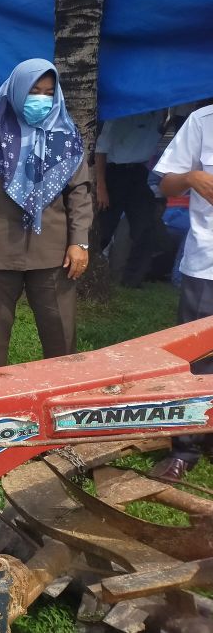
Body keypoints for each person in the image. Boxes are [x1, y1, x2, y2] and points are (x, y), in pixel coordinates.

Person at [0, 59, 91, 370]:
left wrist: (80, 241)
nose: (41, 99)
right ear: (15, 90)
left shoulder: (65, 135)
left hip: (52, 254)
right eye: (33, 91)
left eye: (48, 92)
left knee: (61, 337)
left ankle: (63, 400)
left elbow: (80, 192)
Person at [151, 103, 213, 479]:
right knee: (197, 358)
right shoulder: (202, 121)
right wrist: (191, 178)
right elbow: (164, 181)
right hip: (206, 262)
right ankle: (186, 448)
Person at [95, 111, 164, 287]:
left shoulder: (158, 114)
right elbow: (100, 151)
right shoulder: (120, 112)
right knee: (103, 228)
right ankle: (87, 272)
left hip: (139, 173)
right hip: (115, 173)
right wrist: (101, 187)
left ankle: (132, 281)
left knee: (146, 227)